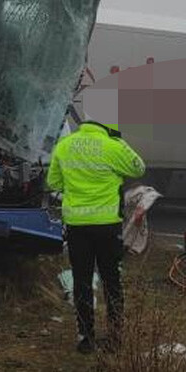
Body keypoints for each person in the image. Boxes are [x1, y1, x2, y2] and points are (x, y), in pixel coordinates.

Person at [47, 117, 146, 354]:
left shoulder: (65, 145)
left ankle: (85, 338)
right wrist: (119, 143)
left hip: (77, 226)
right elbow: (138, 167)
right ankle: (115, 337)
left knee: (81, 281)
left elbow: (53, 182)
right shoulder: (112, 146)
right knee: (112, 281)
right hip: (106, 226)